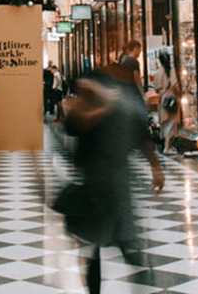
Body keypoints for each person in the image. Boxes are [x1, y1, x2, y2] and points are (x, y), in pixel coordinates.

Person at [65, 71, 165, 294]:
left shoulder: (118, 109)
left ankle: (142, 281)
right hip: (96, 185)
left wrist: (156, 167)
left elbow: (141, 136)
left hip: (113, 185)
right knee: (98, 248)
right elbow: (73, 125)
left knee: (122, 244)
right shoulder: (91, 110)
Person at [153, 49, 181, 153]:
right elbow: (175, 84)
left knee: (164, 122)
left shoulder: (158, 72)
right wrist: (179, 93)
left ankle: (167, 144)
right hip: (171, 98)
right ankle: (167, 146)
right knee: (171, 121)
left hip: (162, 99)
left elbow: (156, 88)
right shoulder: (171, 71)